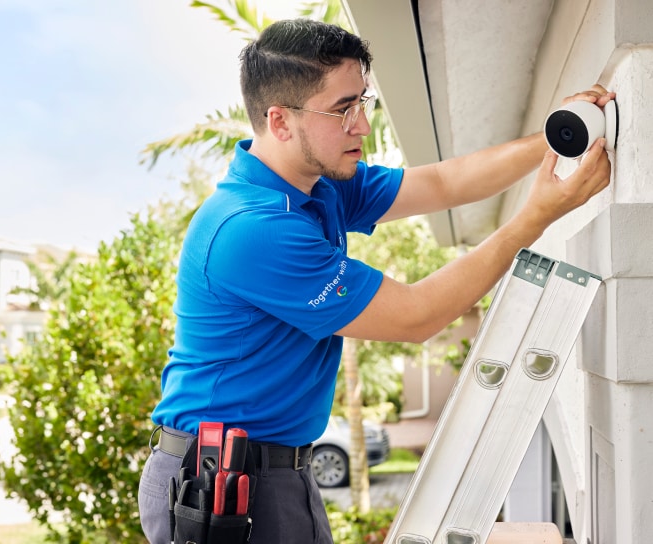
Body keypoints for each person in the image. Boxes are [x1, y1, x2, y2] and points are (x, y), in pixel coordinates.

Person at [138, 18, 614, 544]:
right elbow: (416, 316)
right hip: (220, 486)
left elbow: (442, 182)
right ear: (280, 121)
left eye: (362, 102)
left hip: (280, 470)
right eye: (342, 109)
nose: (362, 125)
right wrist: (535, 218)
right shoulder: (251, 229)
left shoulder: (319, 185)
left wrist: (558, 132)